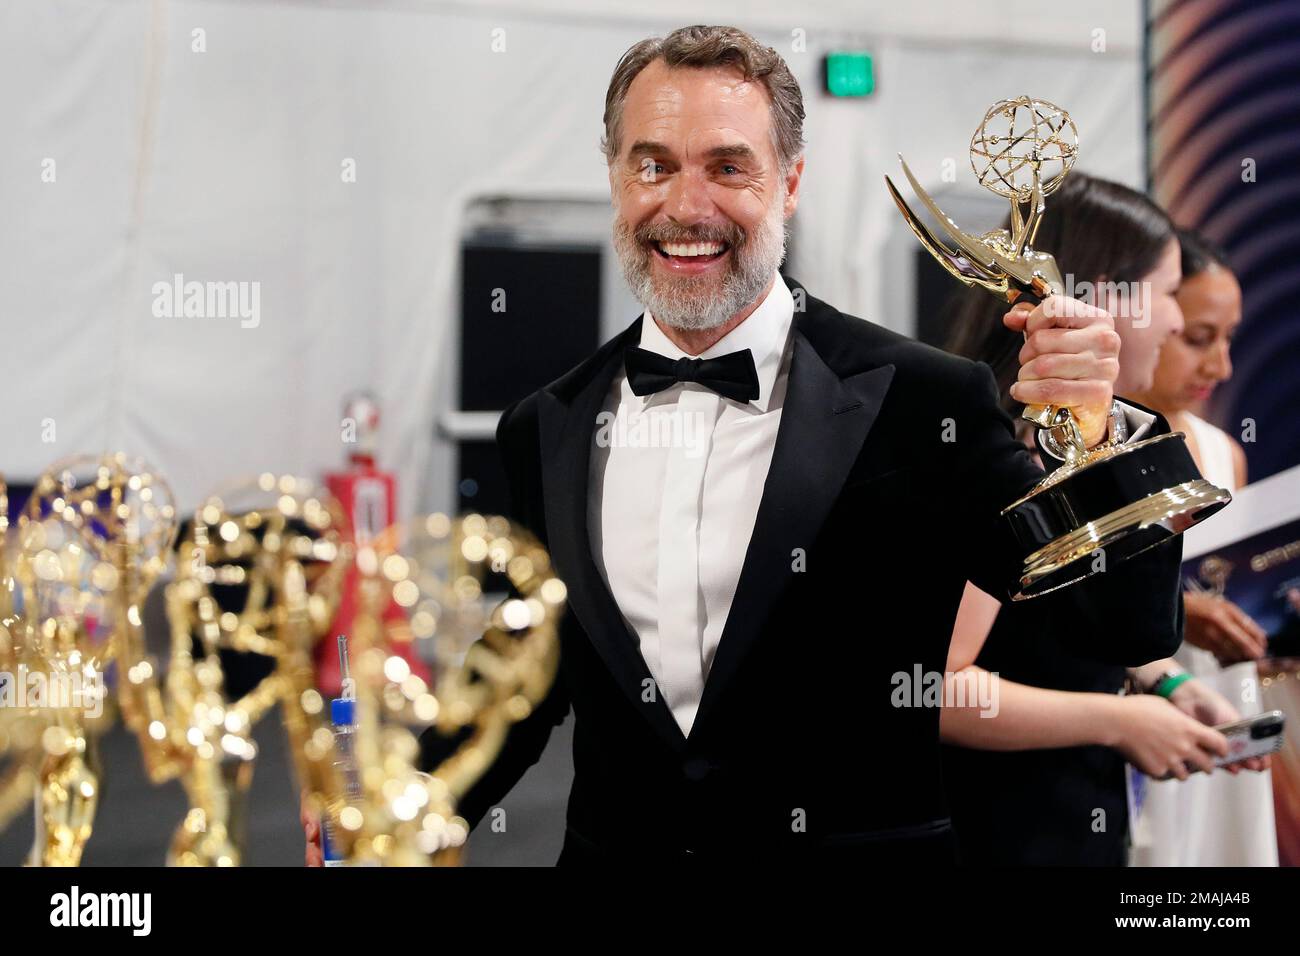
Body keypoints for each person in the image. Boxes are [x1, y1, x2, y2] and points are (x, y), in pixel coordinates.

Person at [306, 25, 1183, 867]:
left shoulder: (922, 404)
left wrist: (1094, 432)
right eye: (654, 164)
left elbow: (1120, 627)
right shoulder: (545, 426)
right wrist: (394, 807)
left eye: (729, 166)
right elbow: (515, 686)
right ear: (616, 178)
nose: (688, 206)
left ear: (790, 182)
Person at [941, 177, 1263, 866]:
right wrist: (1119, 721)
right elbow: (938, 685)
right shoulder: (995, 451)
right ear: (1105, 296)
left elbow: (1075, 633)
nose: (1177, 325)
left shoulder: (1100, 442)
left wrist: (1164, 684)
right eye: (1170, 294)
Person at [1127, 228, 1278, 867]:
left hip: (1220, 698)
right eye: (1196, 338)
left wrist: (1271, 618)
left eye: (1227, 339)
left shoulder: (1222, 453)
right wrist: (1186, 617)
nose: (1219, 367)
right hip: (1136, 708)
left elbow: (1232, 581)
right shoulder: (1094, 446)